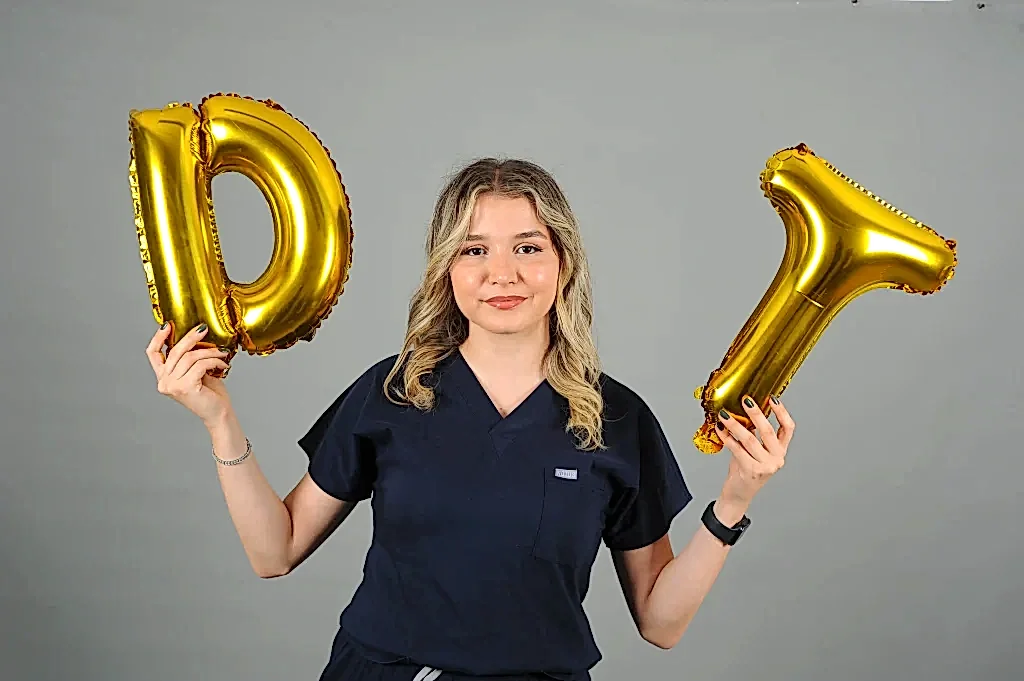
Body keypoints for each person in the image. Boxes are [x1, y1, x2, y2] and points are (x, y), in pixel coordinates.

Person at [145, 158, 796, 681]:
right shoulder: (392, 391)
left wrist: (735, 499)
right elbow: (275, 551)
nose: (501, 274)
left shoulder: (616, 418)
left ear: (563, 263)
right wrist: (219, 419)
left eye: (527, 247)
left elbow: (661, 622)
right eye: (474, 250)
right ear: (446, 269)